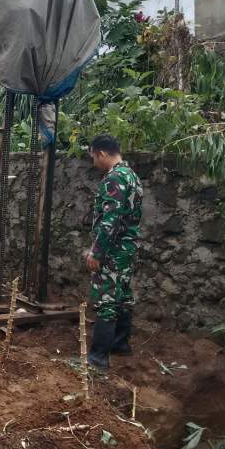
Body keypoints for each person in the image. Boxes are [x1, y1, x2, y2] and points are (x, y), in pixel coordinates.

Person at [86, 134, 143, 371]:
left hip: (113, 250)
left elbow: (110, 220)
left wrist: (96, 253)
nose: (93, 163)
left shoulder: (115, 178)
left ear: (101, 154)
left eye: (93, 157)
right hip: (127, 248)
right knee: (123, 295)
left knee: (106, 299)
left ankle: (98, 358)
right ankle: (120, 344)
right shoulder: (131, 175)